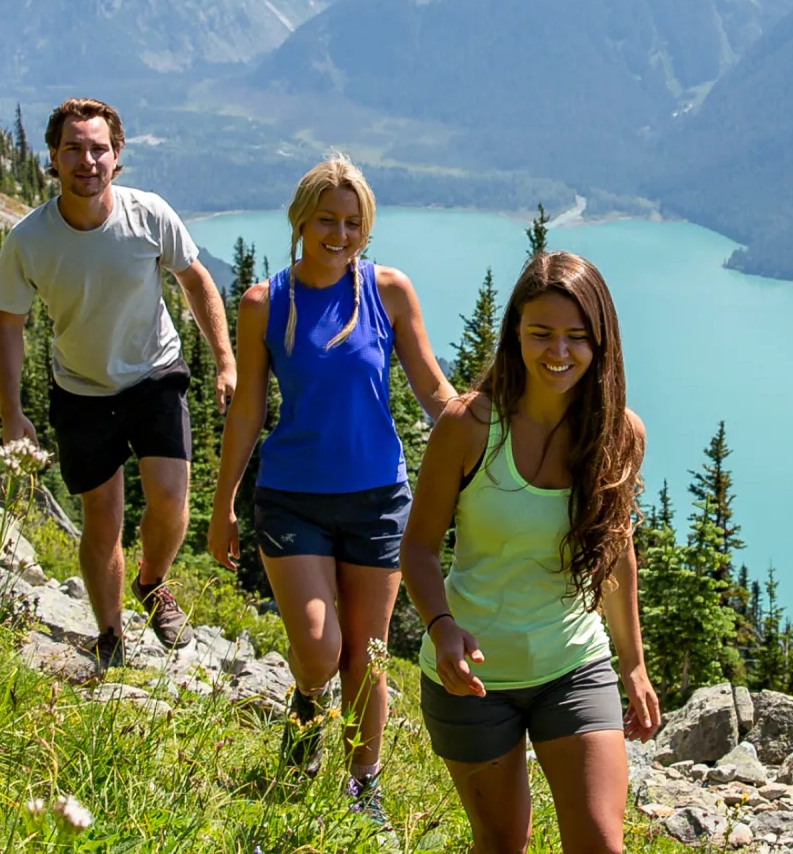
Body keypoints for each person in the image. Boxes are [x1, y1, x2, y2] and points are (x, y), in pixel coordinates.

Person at [207, 154, 455, 822]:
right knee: (320, 645)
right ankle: (308, 705)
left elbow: (433, 388)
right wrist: (223, 501)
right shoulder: (265, 303)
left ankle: (362, 784)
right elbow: (249, 409)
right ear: (301, 221)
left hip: (378, 499)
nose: (340, 235)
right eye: (327, 221)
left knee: (368, 656)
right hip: (292, 497)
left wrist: (481, 446)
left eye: (353, 222)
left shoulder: (389, 291)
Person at [399, 250, 661, 854]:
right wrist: (441, 628)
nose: (558, 353)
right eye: (541, 333)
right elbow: (418, 546)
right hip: (474, 677)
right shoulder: (469, 426)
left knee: (600, 843)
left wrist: (634, 664)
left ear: (602, 343)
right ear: (515, 331)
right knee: (501, 843)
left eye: (577, 337)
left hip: (572, 663)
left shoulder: (620, 435)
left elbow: (616, 554)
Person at [0, 97, 237, 670]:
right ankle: (109, 634)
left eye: (98, 148)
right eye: (73, 148)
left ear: (117, 158)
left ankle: (152, 582)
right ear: (53, 158)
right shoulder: (30, 240)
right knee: (103, 519)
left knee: (172, 500)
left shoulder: (148, 215)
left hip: (155, 372)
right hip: (80, 389)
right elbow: (8, 325)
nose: (87, 160)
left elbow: (196, 281)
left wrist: (224, 359)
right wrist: (11, 412)